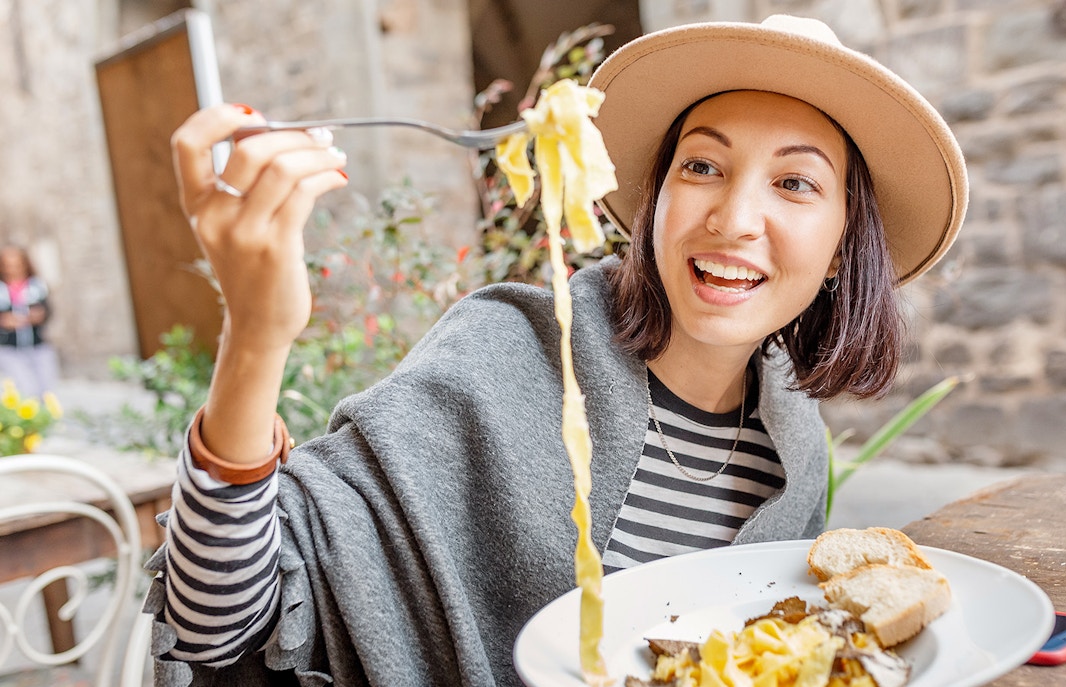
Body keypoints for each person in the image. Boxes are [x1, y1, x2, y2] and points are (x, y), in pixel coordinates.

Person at [145, 13, 967, 687]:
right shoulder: (503, 353)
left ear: (841, 248)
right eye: (703, 165)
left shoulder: (794, 451)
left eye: (795, 183)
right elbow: (220, 622)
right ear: (652, 202)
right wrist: (256, 332)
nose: (734, 217)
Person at [0, 245, 58, 397]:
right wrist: (4, 321)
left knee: (47, 391)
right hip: (10, 348)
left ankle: (47, 419)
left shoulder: (36, 285)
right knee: (27, 389)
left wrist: (39, 315)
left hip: (37, 345)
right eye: (8, 265)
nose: (12, 269)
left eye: (17, 265)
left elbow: (48, 310)